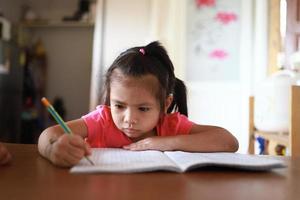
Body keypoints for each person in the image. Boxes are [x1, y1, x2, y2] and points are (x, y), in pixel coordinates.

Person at [38, 41, 239, 167]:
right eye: (119, 106)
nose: (129, 119)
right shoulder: (102, 121)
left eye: (143, 108)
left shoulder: (170, 126)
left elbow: (228, 141)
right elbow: (48, 135)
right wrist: (52, 149)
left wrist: (166, 142)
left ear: (165, 104)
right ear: (110, 98)